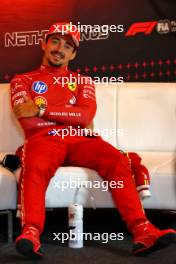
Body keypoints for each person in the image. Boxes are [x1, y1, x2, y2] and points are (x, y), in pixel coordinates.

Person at [10, 22, 176, 259]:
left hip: (81, 139)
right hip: (43, 139)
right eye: (55, 41)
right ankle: (31, 233)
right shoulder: (22, 80)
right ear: (43, 44)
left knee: (116, 160)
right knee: (34, 165)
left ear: (74, 53)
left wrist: (40, 108)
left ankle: (143, 231)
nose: (60, 49)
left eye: (68, 46)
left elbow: (86, 116)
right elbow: (28, 123)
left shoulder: (84, 81)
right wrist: (69, 115)